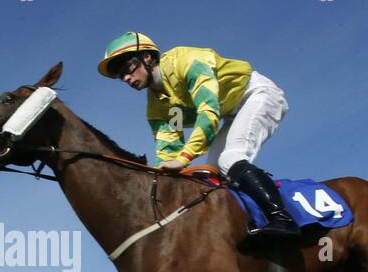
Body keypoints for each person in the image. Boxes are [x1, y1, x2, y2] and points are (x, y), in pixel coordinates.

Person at [97, 31, 299, 237]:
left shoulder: (186, 62)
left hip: (257, 94)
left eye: (128, 69)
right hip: (230, 113)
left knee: (230, 159)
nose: (127, 78)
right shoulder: (158, 107)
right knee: (211, 173)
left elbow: (208, 113)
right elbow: (170, 147)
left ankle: (282, 218)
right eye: (120, 76)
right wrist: (158, 176)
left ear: (147, 57)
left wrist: (184, 158)